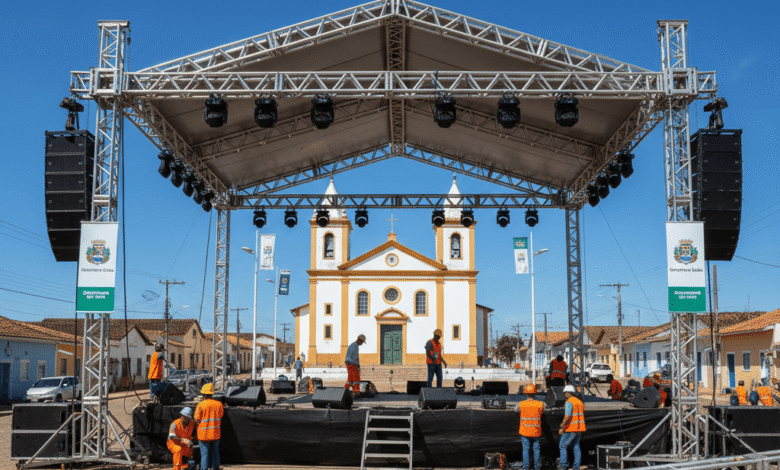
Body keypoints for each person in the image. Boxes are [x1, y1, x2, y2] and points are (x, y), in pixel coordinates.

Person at [195, 383, 224, 470]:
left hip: (203, 435)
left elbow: (196, 419)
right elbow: (221, 416)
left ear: (203, 394)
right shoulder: (219, 404)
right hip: (215, 434)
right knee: (215, 453)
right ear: (212, 394)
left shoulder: (200, 405)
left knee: (205, 454)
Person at [515, 384, 543, 470]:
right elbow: (543, 411)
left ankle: (526, 467)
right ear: (535, 394)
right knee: (536, 450)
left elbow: (515, 410)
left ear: (526, 394)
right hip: (536, 431)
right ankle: (537, 467)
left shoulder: (521, 404)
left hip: (525, 431)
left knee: (526, 450)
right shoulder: (539, 404)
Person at [559, 385, 585, 470]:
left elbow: (568, 415)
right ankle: (576, 467)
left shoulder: (569, 402)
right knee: (576, 446)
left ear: (567, 393)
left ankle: (564, 466)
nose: (564, 395)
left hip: (570, 428)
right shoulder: (579, 402)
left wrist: (562, 426)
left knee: (562, 446)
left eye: (564, 393)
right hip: (579, 428)